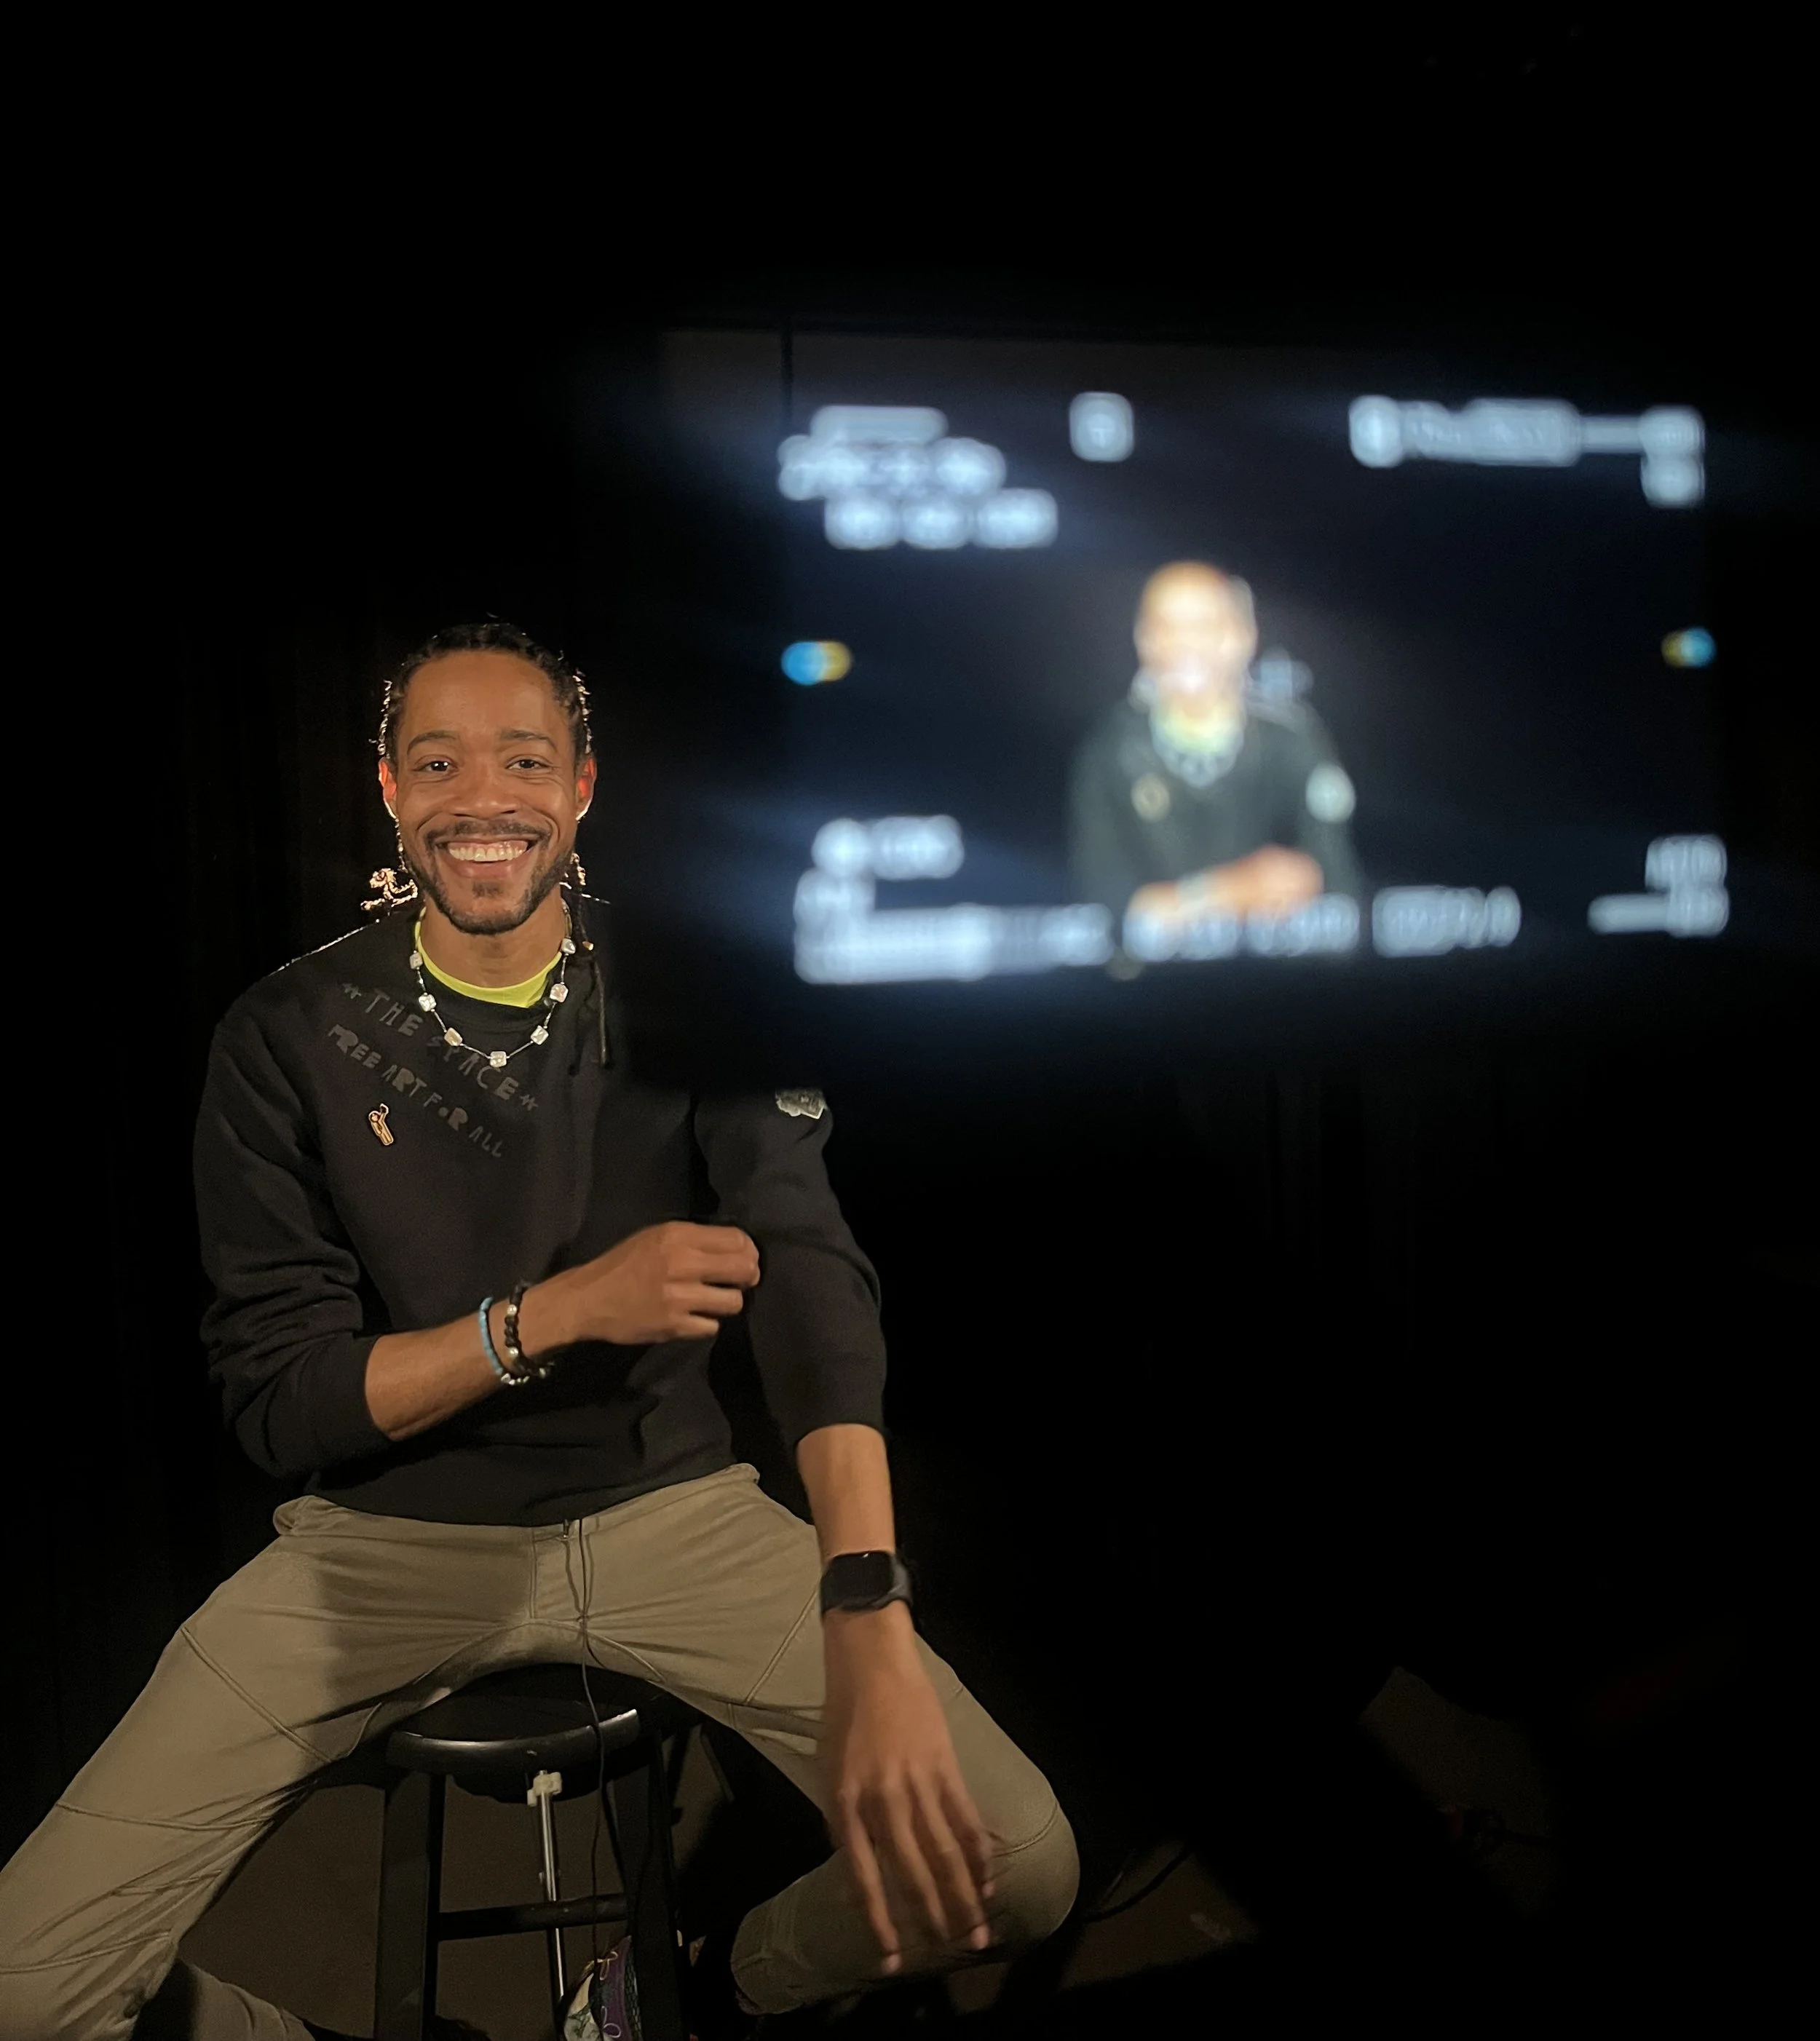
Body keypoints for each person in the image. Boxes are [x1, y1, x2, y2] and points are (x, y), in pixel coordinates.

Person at [0, 622, 1076, 2040]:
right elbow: (281, 1400)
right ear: (388, 789)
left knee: (1018, 1862)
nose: (483, 798)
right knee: (25, 1983)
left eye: (523, 759)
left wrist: (865, 1594)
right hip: (381, 1541)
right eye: (439, 762)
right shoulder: (285, 1031)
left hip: (670, 1509)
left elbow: (815, 1282)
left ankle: (706, 1984)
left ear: (581, 786)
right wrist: (551, 1314)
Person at [1069, 563, 1362, 946]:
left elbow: (1335, 891)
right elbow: (1107, 910)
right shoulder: (1111, 751)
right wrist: (1227, 892)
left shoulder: (1292, 740)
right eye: (1167, 628)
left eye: (1205, 627)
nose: (1185, 646)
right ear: (1143, 640)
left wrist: (1177, 907)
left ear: (1243, 635)